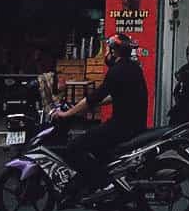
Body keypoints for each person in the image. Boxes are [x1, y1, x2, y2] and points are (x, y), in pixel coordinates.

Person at [54, 33, 149, 198]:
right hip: (134, 124)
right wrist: (87, 106)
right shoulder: (134, 68)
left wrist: (66, 114)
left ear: (114, 52)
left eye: (107, 49)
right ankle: (110, 177)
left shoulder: (116, 72)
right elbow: (118, 95)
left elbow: (93, 98)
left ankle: (102, 184)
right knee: (98, 148)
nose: (106, 53)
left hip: (121, 126)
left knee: (75, 147)